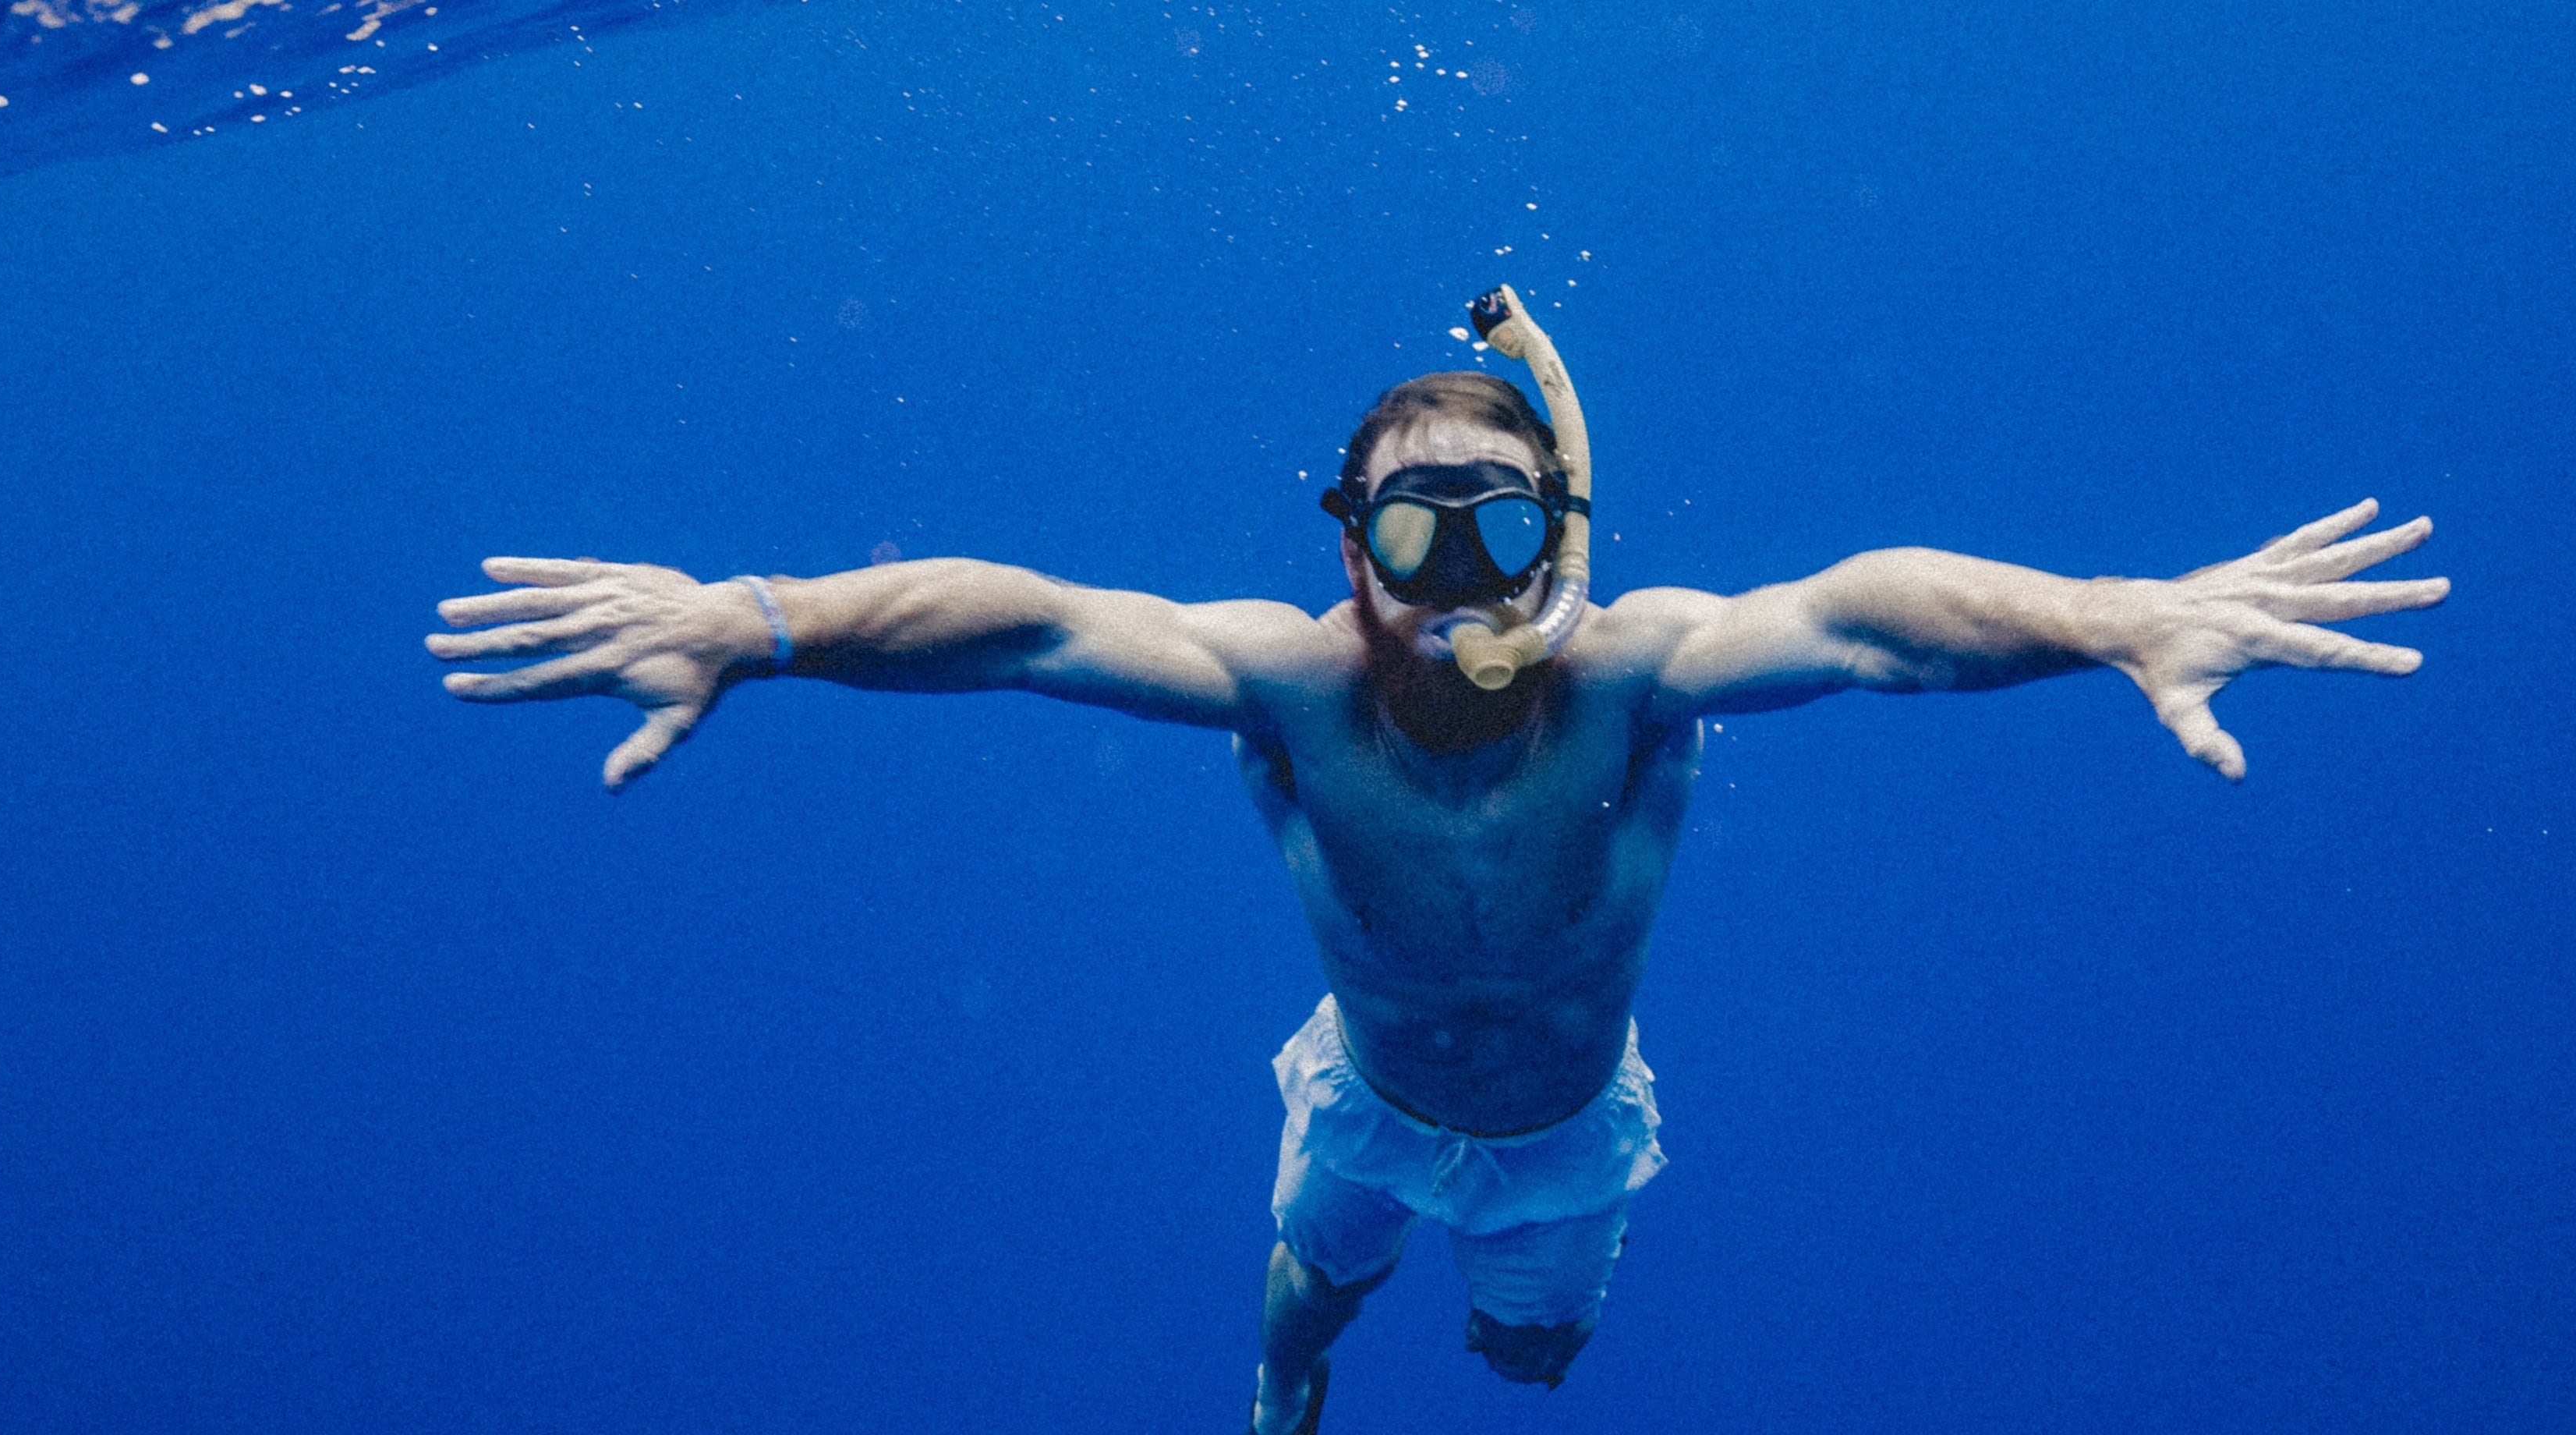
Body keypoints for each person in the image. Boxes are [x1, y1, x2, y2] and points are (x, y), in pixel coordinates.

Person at [426, 365, 2444, 1433]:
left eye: (1498, 531)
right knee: (1309, 1302)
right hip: (1367, 1097)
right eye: (1416, 526)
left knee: (1529, 1367)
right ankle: (1288, 1389)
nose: (1458, 583)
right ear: (1350, 544)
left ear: (1556, 545)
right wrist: (761, 621)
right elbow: (1022, 623)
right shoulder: (1282, 682)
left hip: (1573, 1130)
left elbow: (1867, 616)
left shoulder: (1636, 668)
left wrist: (2105, 620)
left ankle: (1467, 1332)